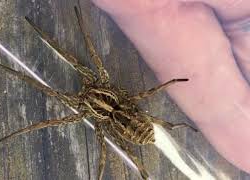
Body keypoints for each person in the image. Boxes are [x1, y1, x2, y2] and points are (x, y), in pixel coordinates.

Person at [92, 0, 250, 173]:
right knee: (126, 144)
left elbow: (146, 94)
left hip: (134, 125)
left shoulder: (116, 109)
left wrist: (172, 82)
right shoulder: (114, 112)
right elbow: (145, 95)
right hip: (130, 124)